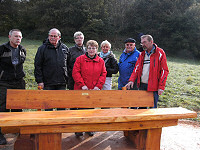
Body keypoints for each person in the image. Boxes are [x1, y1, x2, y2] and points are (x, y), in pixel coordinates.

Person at [72, 40, 107, 137]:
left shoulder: (101, 61)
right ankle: (79, 129)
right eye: (89, 48)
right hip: (81, 89)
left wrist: (98, 86)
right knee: (80, 110)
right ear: (86, 49)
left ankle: (89, 128)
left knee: (91, 110)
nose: (91, 50)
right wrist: (82, 85)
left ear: (97, 49)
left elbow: (103, 74)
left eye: (94, 48)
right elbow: (76, 72)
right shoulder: (80, 59)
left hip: (93, 90)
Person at [125, 34, 169, 108]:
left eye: (144, 42)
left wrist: (161, 86)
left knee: (152, 109)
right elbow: (136, 69)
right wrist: (131, 80)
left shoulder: (160, 53)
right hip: (142, 85)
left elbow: (164, 71)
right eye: (142, 43)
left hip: (154, 87)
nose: (143, 44)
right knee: (141, 108)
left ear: (151, 42)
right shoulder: (142, 54)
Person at [0, 29, 26, 145]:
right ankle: (1, 133)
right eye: (16, 36)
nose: (18, 39)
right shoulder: (2, 49)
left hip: (18, 82)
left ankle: (16, 129)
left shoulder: (22, 49)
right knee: (3, 107)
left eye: (20, 37)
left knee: (18, 107)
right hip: (4, 82)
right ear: (9, 37)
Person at [34, 28, 69, 110]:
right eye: (50, 36)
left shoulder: (65, 48)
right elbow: (37, 65)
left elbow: (68, 64)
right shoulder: (42, 48)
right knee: (49, 106)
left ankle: (61, 122)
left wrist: (67, 77)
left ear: (59, 37)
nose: (52, 38)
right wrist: (39, 81)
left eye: (54, 36)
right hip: (48, 82)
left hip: (61, 82)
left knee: (61, 106)